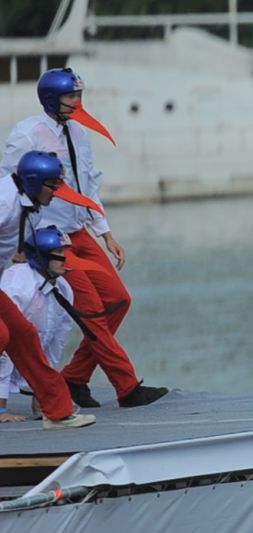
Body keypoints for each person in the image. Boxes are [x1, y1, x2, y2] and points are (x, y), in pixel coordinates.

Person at [2, 68, 166, 408]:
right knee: (90, 308)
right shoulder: (26, 134)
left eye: (79, 95)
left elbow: (88, 184)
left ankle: (74, 378)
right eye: (71, 97)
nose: (78, 102)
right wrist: (21, 244)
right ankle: (128, 387)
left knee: (119, 300)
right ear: (51, 98)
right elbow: (11, 186)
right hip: (48, 237)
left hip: (80, 231)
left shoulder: (79, 133)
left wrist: (105, 232)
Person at [0, 228, 96, 428]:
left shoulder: (64, 289)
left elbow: (54, 345)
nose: (65, 259)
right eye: (59, 253)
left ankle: (51, 409)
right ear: (42, 255)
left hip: (24, 357)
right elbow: (7, 346)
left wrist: (43, 394)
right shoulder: (18, 284)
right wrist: (1, 408)